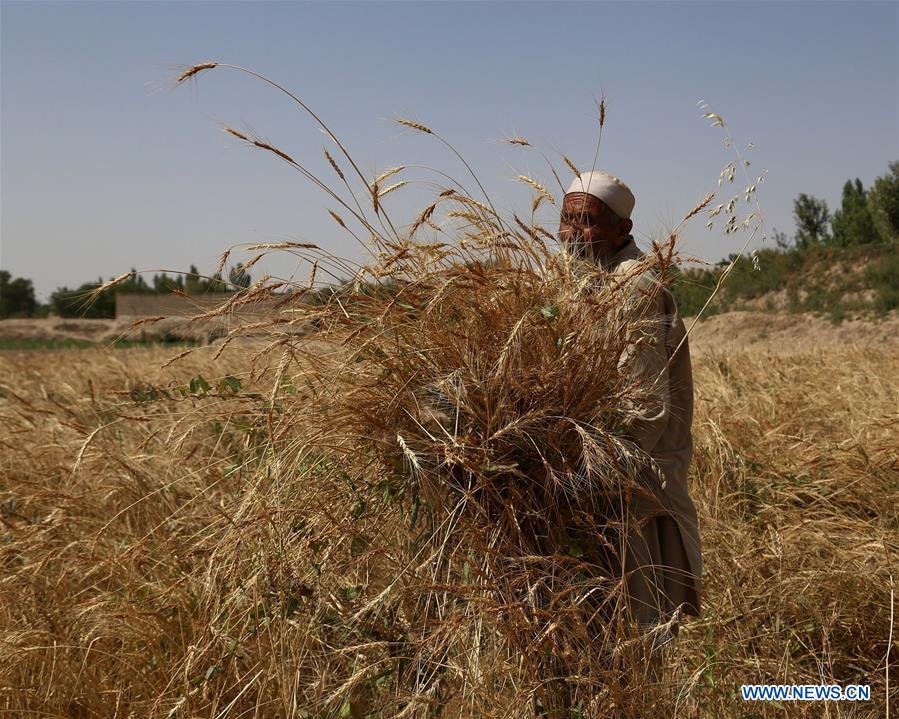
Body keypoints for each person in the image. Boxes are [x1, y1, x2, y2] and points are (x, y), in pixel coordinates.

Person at [558, 171, 703, 666]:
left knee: (639, 629)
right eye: (568, 219)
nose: (574, 233)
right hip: (601, 479)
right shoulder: (580, 284)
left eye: (589, 222)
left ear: (623, 230)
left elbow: (644, 407)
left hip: (635, 483)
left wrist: (586, 475)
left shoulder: (634, 287)